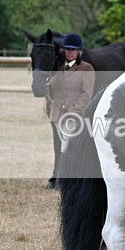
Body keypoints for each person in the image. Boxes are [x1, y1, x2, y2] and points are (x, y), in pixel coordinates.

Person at [47, 33, 95, 188]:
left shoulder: (86, 68)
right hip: (57, 114)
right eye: (67, 49)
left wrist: (73, 112)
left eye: (73, 50)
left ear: (79, 51)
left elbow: (87, 94)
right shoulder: (59, 68)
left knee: (66, 146)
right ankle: (60, 179)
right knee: (59, 144)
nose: (69, 52)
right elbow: (54, 91)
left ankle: (62, 180)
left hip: (74, 115)